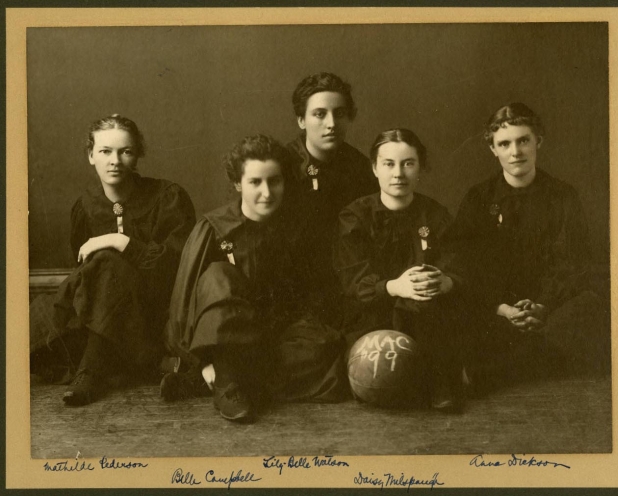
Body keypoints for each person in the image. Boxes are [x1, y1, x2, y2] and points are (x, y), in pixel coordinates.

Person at [162, 135, 347, 422]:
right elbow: (183, 306)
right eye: (255, 183)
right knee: (218, 275)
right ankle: (223, 374)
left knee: (326, 350)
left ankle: (227, 381)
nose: (267, 193)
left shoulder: (297, 227)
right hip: (223, 338)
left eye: (275, 181)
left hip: (272, 337)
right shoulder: (214, 228)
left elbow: (313, 295)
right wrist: (204, 361)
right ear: (237, 184)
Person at [447, 102, 609, 390]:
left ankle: (491, 372)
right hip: (496, 306)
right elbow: (464, 261)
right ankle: (533, 360)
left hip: (549, 306)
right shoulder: (478, 198)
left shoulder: (563, 196)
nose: (515, 152)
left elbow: (576, 261)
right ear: (493, 149)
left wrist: (543, 306)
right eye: (504, 144)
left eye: (523, 140)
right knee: (451, 303)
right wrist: (503, 308)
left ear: (539, 142)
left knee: (595, 303)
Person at [53, 114, 196, 406]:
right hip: (109, 315)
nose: (114, 160)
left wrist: (118, 241)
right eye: (105, 151)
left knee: (107, 259)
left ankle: (90, 372)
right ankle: (149, 363)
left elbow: (175, 267)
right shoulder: (84, 206)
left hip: (159, 310)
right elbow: (83, 270)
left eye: (125, 151)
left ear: (138, 155)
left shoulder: (168, 197)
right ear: (91, 156)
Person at [334, 128, 466, 412]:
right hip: (371, 313)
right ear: (374, 168)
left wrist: (444, 282)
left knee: (434, 316)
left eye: (408, 163)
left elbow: (456, 266)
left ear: (420, 168)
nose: (398, 174)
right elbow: (353, 280)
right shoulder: (354, 217)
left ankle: (439, 382)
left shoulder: (435, 215)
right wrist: (395, 286)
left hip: (424, 314)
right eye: (388, 164)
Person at [286, 72, 378, 328]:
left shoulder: (361, 169)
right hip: (290, 288)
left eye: (339, 113)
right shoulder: (280, 168)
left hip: (345, 286)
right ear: (301, 120)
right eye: (319, 114)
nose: (331, 123)